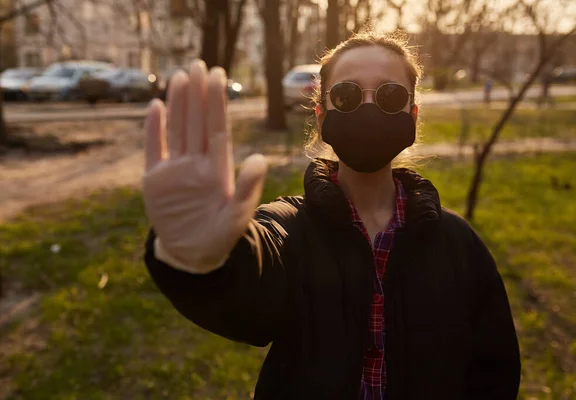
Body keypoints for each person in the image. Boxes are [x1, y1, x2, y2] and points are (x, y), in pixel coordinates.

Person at [142, 30, 521, 400]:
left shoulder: (458, 244)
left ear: (413, 116)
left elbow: (493, 372)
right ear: (322, 117)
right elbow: (251, 284)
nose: (369, 109)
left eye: (390, 95)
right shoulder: (291, 227)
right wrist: (205, 260)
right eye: (347, 94)